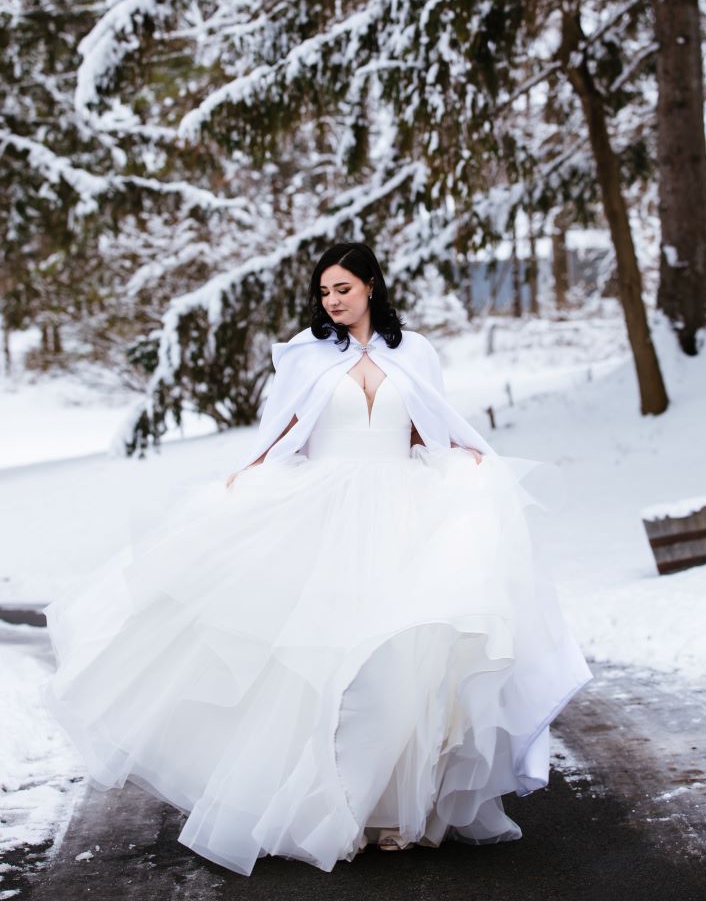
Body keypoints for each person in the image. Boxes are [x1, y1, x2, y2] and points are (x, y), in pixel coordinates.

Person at [44, 241, 591, 876]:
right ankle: (332, 811)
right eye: (324, 293)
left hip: (402, 513)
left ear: (371, 286)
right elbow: (283, 431)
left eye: (343, 290)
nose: (332, 302)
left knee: (402, 660)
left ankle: (397, 811)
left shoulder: (414, 352)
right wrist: (247, 479)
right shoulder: (305, 354)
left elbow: (426, 425)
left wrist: (466, 459)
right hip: (326, 513)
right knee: (332, 666)